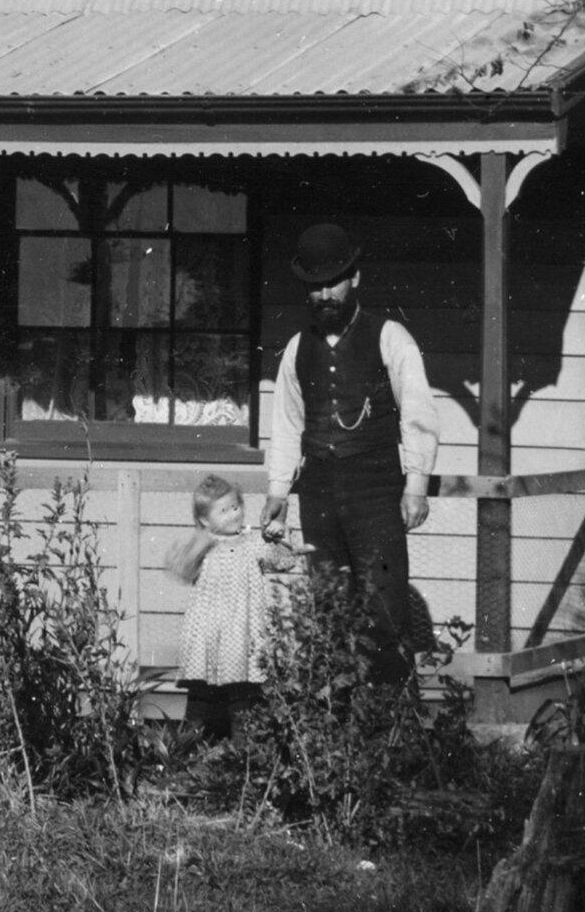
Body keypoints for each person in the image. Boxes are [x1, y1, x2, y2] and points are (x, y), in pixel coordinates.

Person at [257, 222, 439, 666]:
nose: (324, 295)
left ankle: (388, 727)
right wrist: (279, 490)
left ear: (354, 278)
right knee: (329, 609)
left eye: (332, 283)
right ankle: (338, 726)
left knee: (383, 607)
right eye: (314, 287)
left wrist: (416, 484)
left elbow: (418, 413)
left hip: (376, 493)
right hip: (317, 493)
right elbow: (285, 423)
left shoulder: (390, 337)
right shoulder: (299, 348)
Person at [168, 471, 296, 742]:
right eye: (224, 511)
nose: (234, 515)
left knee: (243, 698)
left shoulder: (253, 543)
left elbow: (286, 561)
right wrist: (200, 542)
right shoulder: (203, 546)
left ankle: (243, 754)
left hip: (241, 636)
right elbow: (180, 569)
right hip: (207, 638)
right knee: (199, 701)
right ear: (205, 519)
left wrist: (278, 536)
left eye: (236, 507)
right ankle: (186, 754)